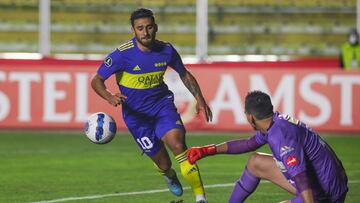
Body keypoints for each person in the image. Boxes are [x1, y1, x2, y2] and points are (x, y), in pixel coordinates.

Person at [91, 8, 212, 203]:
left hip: (161, 107)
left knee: (178, 144)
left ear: (155, 28)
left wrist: (200, 98)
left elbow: (184, 73)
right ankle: (168, 175)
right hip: (136, 118)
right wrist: (109, 96)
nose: (145, 32)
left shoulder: (167, 50)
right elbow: (96, 80)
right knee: (163, 163)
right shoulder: (122, 55)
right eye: (140, 28)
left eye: (148, 27)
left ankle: (200, 198)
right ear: (133, 30)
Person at [187, 90, 348, 203]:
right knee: (255, 162)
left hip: (325, 194)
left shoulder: (281, 138)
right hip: (328, 181)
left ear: (250, 117)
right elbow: (249, 144)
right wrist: (208, 150)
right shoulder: (274, 123)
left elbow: (301, 178)